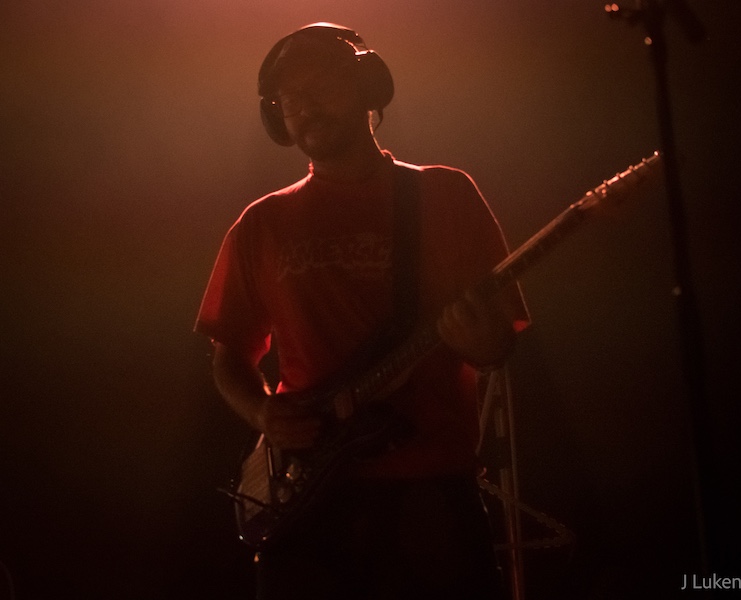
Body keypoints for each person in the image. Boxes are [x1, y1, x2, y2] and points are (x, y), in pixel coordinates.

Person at [195, 22, 529, 600]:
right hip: (307, 500)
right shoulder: (260, 225)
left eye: (320, 86)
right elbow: (230, 357)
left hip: (430, 491)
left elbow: (498, 343)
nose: (304, 107)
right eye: (289, 99)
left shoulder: (445, 195)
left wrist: (484, 343)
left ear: (367, 87)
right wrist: (263, 413)